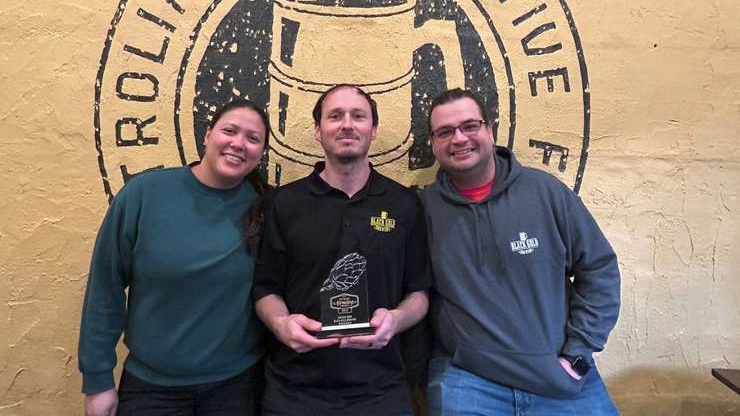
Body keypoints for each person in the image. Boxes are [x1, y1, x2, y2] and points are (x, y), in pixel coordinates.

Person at [422, 89, 621, 415]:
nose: (459, 138)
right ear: (433, 143)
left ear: (490, 129)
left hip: (559, 377)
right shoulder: (424, 210)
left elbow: (599, 268)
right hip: (469, 380)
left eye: (469, 126)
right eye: (445, 131)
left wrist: (578, 353)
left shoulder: (546, 193)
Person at [78, 99, 270, 416]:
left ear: (261, 153)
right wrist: (98, 381)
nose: (239, 143)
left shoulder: (267, 208)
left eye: (253, 138)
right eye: (230, 130)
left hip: (237, 388)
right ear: (207, 134)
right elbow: (105, 288)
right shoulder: (144, 194)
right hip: (151, 389)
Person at [253, 85, 430, 416]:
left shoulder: (404, 204)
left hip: (381, 389)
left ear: (373, 130)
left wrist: (395, 319)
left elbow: (419, 293)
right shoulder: (285, 203)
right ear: (318, 131)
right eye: (335, 116)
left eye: (358, 116)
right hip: (294, 390)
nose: (347, 124)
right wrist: (281, 325)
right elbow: (266, 289)